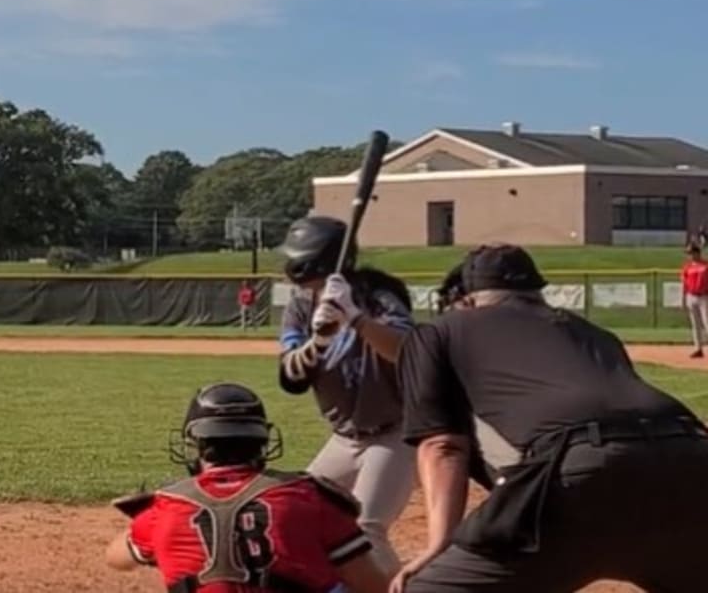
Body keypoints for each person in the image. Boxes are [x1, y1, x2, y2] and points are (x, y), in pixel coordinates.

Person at [391, 244, 708, 592]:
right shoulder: (594, 333)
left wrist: (438, 545)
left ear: (467, 300)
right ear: (537, 293)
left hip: (581, 469)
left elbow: (443, 445)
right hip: (692, 455)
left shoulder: (440, 330)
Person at [105, 382, 391, 593]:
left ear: (198, 446)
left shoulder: (166, 507)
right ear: (262, 442)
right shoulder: (310, 497)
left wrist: (163, 539)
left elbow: (116, 558)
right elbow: (374, 586)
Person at [274, 216, 417, 578]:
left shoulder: (380, 297)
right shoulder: (302, 307)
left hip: (394, 434)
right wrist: (319, 340)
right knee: (296, 512)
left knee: (366, 529)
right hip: (343, 439)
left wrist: (356, 318)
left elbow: (405, 351)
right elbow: (291, 377)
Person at [680, 245, 707, 358]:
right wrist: (683, 298)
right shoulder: (687, 267)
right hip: (691, 296)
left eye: (691, 253)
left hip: (704, 297)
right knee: (695, 325)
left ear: (697, 253)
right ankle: (698, 349)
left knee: (707, 323)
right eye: (688, 253)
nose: (690, 255)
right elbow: (684, 283)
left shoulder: (705, 265)